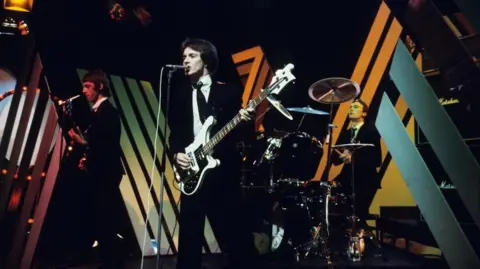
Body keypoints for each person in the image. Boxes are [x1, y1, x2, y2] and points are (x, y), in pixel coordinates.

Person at [168, 38, 259, 269]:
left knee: (235, 227)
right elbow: (175, 133)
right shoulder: (179, 95)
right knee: (189, 231)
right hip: (192, 170)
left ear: (206, 60)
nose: (185, 61)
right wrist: (176, 153)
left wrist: (246, 121)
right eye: (184, 57)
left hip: (223, 169)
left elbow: (242, 134)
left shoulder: (227, 91)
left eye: (191, 56)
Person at [68, 69, 125, 269]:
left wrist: (84, 144)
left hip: (107, 173)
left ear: (100, 87)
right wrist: (87, 157)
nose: (84, 91)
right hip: (100, 171)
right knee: (101, 217)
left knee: (106, 218)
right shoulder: (98, 111)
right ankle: (108, 260)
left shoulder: (108, 111)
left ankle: (112, 262)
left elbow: (107, 144)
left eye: (88, 87)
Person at [331, 98, 382, 230]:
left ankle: (360, 243)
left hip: (365, 180)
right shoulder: (346, 133)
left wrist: (354, 158)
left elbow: (377, 160)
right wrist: (341, 157)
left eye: (355, 107)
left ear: (364, 113)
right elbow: (334, 160)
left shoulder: (371, 132)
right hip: (347, 179)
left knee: (358, 216)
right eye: (350, 107)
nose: (351, 109)